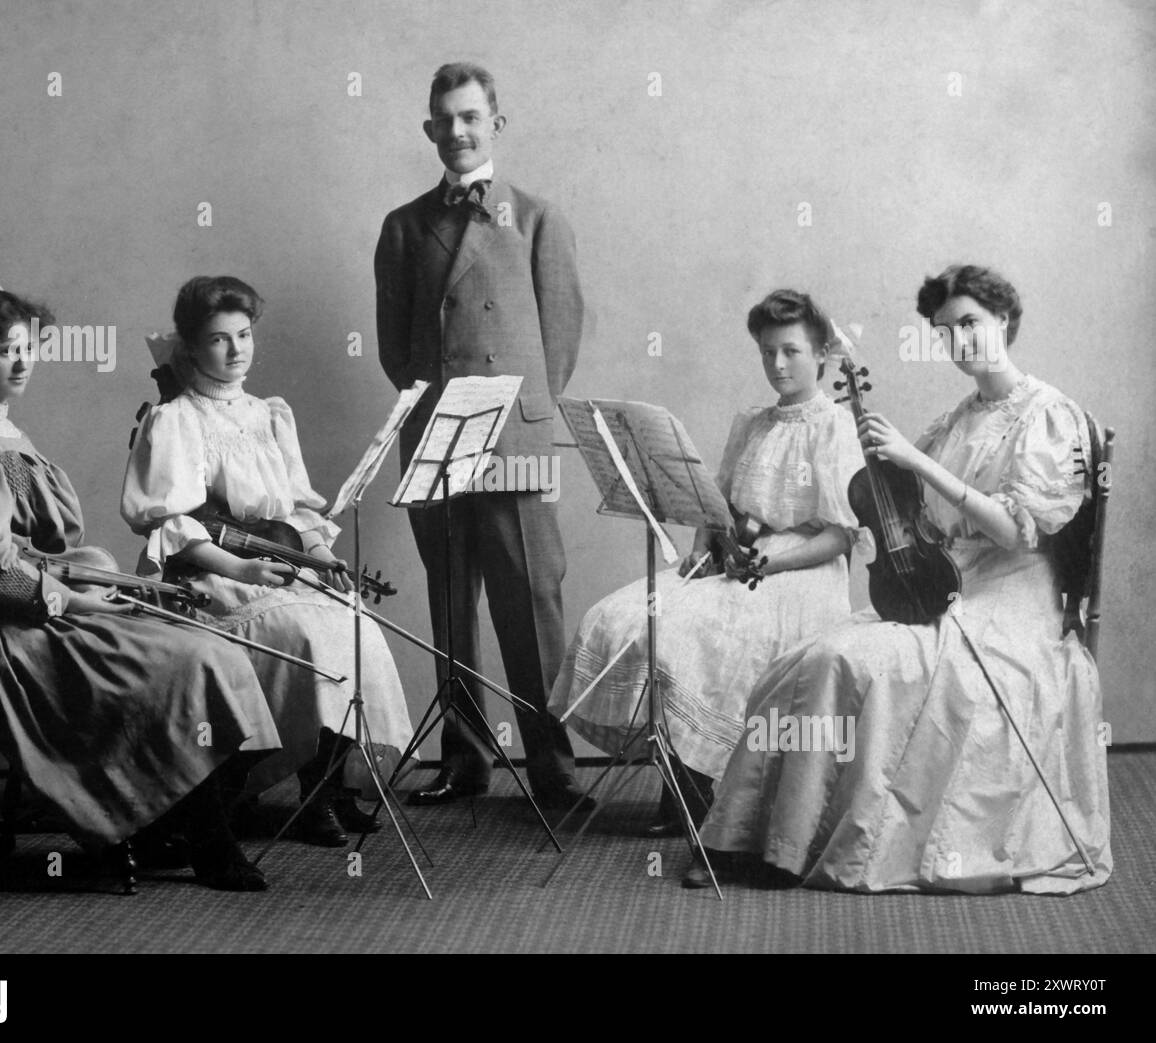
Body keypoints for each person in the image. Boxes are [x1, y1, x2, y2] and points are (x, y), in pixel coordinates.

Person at [687, 265, 1111, 893]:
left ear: (1004, 321)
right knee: (807, 659)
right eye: (945, 330)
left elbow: (1013, 531)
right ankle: (765, 841)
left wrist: (915, 461)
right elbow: (927, 523)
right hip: (947, 585)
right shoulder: (956, 419)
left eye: (970, 323)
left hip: (1015, 602)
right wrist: (890, 478)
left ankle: (790, 849)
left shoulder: (1049, 415)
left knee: (847, 660)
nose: (959, 340)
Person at [0, 289, 279, 891]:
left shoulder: (0, 427)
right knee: (183, 659)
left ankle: (176, 820)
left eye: (29, 348)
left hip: (52, 599)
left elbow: (47, 545)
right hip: (14, 626)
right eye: (6, 350)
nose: (23, 362)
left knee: (208, 645)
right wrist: (80, 601)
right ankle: (200, 836)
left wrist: (91, 582)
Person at [549, 290, 868, 832]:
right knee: (621, 617)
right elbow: (713, 502)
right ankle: (682, 778)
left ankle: (692, 793)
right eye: (767, 352)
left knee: (687, 637)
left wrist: (770, 564)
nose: (778, 364)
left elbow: (840, 536)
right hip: (735, 558)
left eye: (791, 351)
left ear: (821, 356)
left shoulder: (835, 426)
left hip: (801, 571)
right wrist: (702, 549)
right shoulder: (752, 421)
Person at [121, 275, 414, 846]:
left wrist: (323, 557)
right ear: (190, 346)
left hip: (273, 564)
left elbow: (299, 510)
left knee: (354, 623)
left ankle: (327, 789)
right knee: (305, 632)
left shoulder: (270, 413)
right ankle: (294, 793)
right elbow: (172, 527)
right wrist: (243, 569)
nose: (236, 351)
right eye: (218, 339)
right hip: (209, 574)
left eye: (245, 335)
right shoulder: (176, 419)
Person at [375, 62, 587, 809]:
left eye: (472, 117)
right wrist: (440, 401)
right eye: (445, 119)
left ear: (496, 123)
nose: (459, 132)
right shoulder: (404, 226)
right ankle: (465, 758)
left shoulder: (536, 218)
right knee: (451, 600)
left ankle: (553, 765)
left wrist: (518, 412)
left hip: (515, 440)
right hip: (438, 436)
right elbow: (394, 348)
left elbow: (558, 343)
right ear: (430, 129)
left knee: (531, 598)